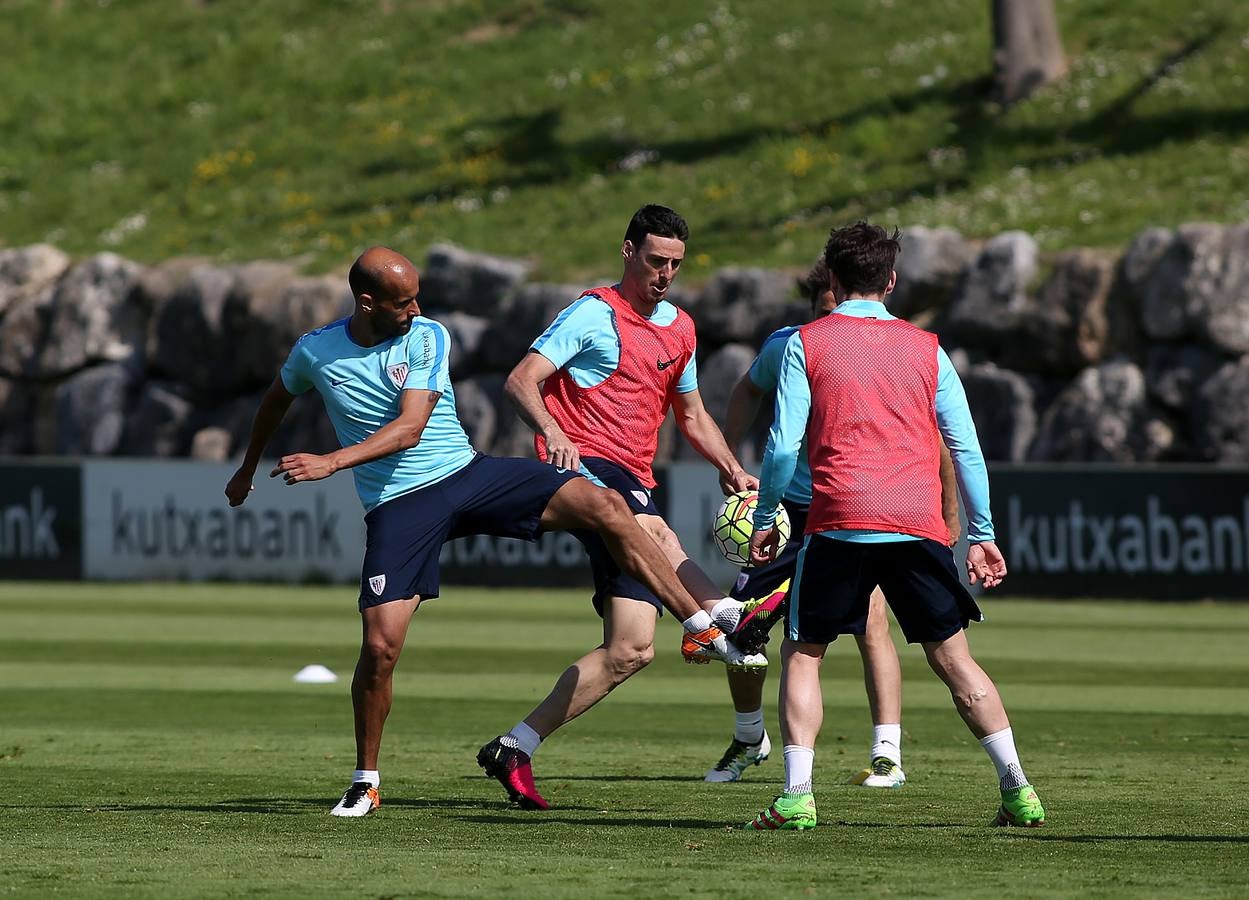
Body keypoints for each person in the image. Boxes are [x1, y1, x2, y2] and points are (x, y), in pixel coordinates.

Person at [223, 246, 752, 819]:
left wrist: (330, 461)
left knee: (604, 502)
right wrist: (248, 466)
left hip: (466, 475)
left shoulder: (426, 336)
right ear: (367, 301)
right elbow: (276, 400)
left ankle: (699, 622)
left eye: (417, 296)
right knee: (380, 648)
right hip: (398, 506)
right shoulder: (315, 351)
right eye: (403, 302)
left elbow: (409, 428)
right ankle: (366, 780)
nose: (416, 308)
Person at [742, 223, 1045, 831]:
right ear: (892, 280)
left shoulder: (807, 342)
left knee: (804, 653)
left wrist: (769, 511)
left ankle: (798, 797)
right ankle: (1018, 789)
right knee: (955, 660)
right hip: (916, 525)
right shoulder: (928, 348)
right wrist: (982, 533)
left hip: (838, 523)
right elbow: (965, 447)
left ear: (832, 278)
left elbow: (781, 447)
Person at [478, 204, 764, 810]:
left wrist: (732, 467)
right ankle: (721, 613)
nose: (665, 273)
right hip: (589, 474)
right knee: (654, 528)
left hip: (634, 478)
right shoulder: (591, 314)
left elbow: (691, 416)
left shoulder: (680, 327)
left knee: (631, 648)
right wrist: (552, 431)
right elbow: (520, 380)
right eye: (656, 260)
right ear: (628, 251)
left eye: (676, 264)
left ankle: (515, 746)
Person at [704, 258, 962, 788]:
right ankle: (749, 737)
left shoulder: (887, 349)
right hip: (788, 510)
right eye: (828, 310)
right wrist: (732, 459)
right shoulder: (790, 345)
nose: (840, 318)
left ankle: (886, 751)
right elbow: (747, 391)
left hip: (847, 509)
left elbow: (937, 436)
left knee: (870, 624)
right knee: (740, 625)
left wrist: (951, 510)